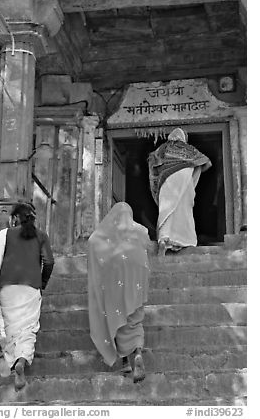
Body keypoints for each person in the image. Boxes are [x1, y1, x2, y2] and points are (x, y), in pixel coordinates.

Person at [0, 202, 54, 390]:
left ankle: (14, 362)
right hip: (31, 288)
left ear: (15, 218)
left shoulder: (4, 236)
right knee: (28, 329)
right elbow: (49, 262)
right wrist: (42, 283)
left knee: (9, 330)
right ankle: (22, 359)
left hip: (7, 288)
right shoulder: (41, 236)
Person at [88, 202, 150, 383]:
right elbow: (147, 248)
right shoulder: (140, 230)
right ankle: (137, 353)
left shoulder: (104, 234)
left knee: (116, 317)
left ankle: (125, 362)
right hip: (136, 282)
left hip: (114, 282)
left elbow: (92, 240)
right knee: (134, 318)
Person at [148, 127, 212, 256]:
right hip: (184, 184)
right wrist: (191, 175)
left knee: (166, 209)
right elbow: (206, 162)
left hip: (166, 183)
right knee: (184, 211)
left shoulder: (161, 149)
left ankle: (164, 238)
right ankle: (182, 241)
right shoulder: (188, 149)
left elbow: (152, 163)